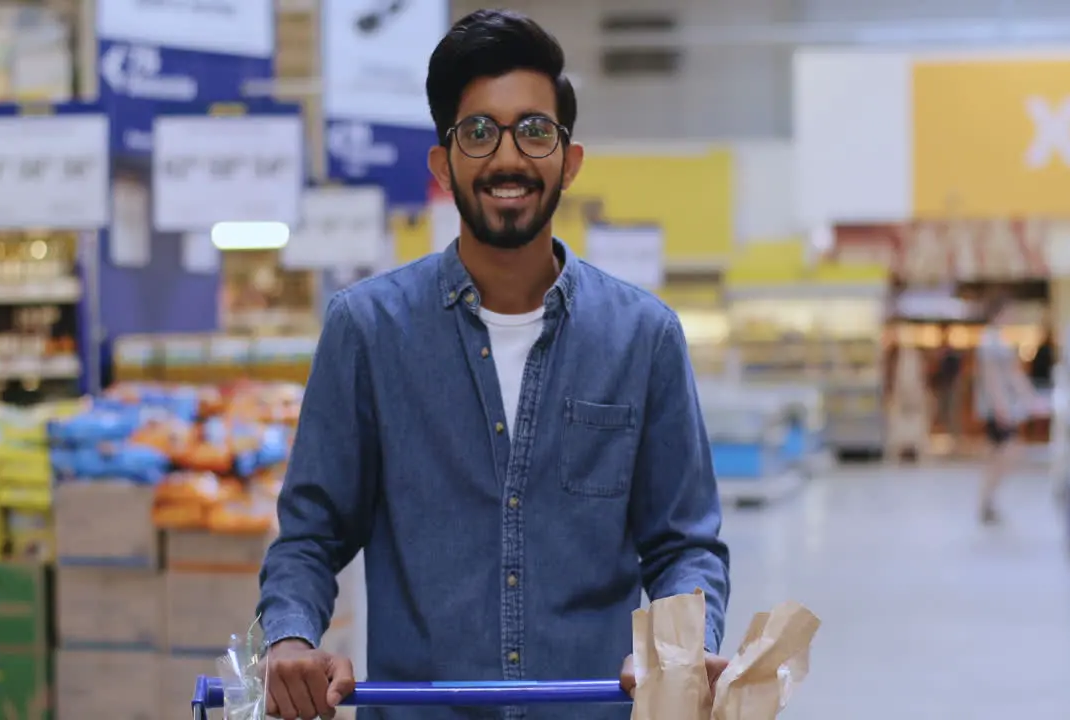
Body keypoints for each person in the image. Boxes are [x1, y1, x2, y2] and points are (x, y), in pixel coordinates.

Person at [256, 10, 730, 720]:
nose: (507, 158)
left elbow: (684, 545)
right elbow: (311, 533)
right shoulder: (368, 331)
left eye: (534, 130)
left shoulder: (643, 337)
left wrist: (678, 646)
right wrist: (291, 636)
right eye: (478, 132)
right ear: (443, 165)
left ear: (569, 160)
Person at [974, 294, 1036, 524]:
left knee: (996, 455)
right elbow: (992, 378)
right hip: (998, 409)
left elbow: (1012, 374)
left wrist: (1028, 395)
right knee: (1007, 453)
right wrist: (1001, 406)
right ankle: (987, 501)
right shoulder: (990, 341)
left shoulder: (998, 339)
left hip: (1001, 407)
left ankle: (987, 502)